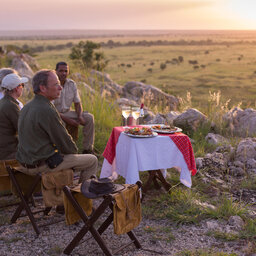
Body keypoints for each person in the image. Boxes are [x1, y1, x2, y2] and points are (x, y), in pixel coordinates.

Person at [16, 69, 98, 184]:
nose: (60, 88)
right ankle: (81, 198)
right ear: (43, 88)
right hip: (40, 166)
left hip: (24, 163)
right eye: (56, 85)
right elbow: (69, 148)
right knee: (92, 160)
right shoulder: (46, 109)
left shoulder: (27, 106)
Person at [53, 62, 95, 154]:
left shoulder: (71, 84)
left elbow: (77, 103)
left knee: (89, 118)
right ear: (56, 71)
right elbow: (51, 108)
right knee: (62, 123)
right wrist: (69, 120)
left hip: (68, 112)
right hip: (55, 114)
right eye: (61, 71)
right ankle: (64, 152)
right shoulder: (52, 85)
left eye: (66, 71)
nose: (63, 73)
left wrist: (79, 116)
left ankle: (88, 149)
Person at [0, 73, 28, 160]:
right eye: (22, 85)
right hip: (9, 152)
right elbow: (24, 131)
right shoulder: (11, 105)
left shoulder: (4, 102)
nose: (22, 88)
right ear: (16, 88)